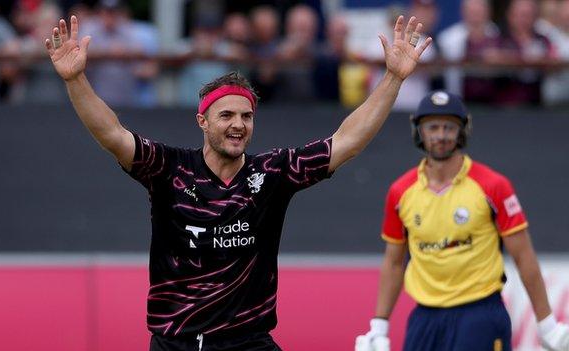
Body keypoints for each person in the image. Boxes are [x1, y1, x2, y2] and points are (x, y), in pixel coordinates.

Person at [45, 14, 432, 351]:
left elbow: (345, 142)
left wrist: (394, 78)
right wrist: (76, 79)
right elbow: (112, 134)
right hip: (178, 341)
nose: (238, 125)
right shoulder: (169, 168)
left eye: (246, 116)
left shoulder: (273, 173)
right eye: (226, 115)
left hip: (249, 341)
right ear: (203, 122)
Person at [354, 91, 569, 351]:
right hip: (425, 318)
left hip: (479, 313)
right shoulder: (401, 192)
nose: (441, 135)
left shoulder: (493, 185)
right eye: (433, 127)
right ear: (419, 131)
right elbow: (394, 262)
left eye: (449, 127)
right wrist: (379, 327)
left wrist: (547, 325)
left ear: (462, 131)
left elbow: (524, 257)